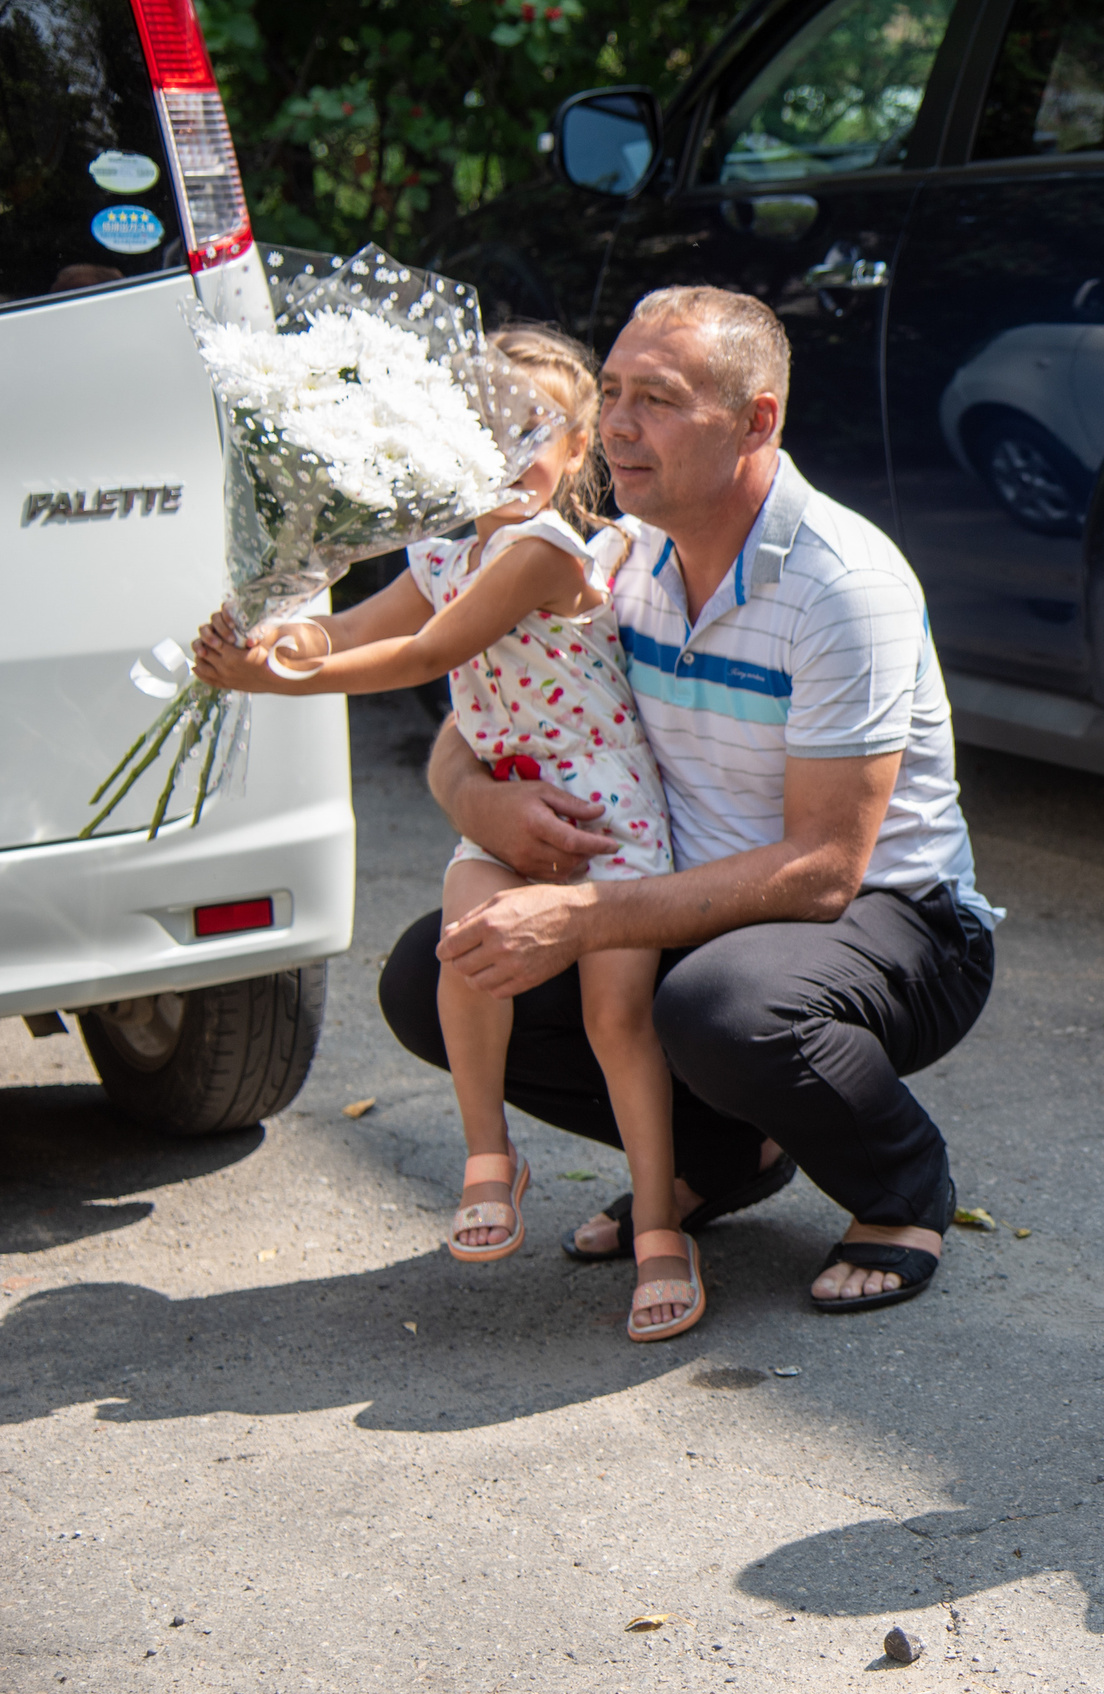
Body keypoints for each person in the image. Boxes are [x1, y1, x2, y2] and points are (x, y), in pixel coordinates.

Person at [376, 286, 999, 1314]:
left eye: (657, 399)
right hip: (687, 901)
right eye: (611, 392)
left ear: (757, 419)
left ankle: (900, 1182)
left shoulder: (842, 584)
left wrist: (580, 912)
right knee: (435, 973)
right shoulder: (619, 554)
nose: (615, 425)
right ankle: (723, 1151)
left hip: (893, 923)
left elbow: (823, 870)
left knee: (718, 1007)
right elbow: (476, 720)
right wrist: (477, 802)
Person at [194, 326, 703, 1342]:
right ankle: (489, 1159)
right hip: (505, 805)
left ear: (576, 450)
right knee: (461, 952)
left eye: (536, 427)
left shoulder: (542, 550)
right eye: (485, 422)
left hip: (605, 819)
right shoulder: (442, 548)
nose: (510, 443)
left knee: (616, 1019)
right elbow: (352, 630)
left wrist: (277, 681)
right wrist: (282, 633)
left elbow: (425, 652)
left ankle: (660, 1224)